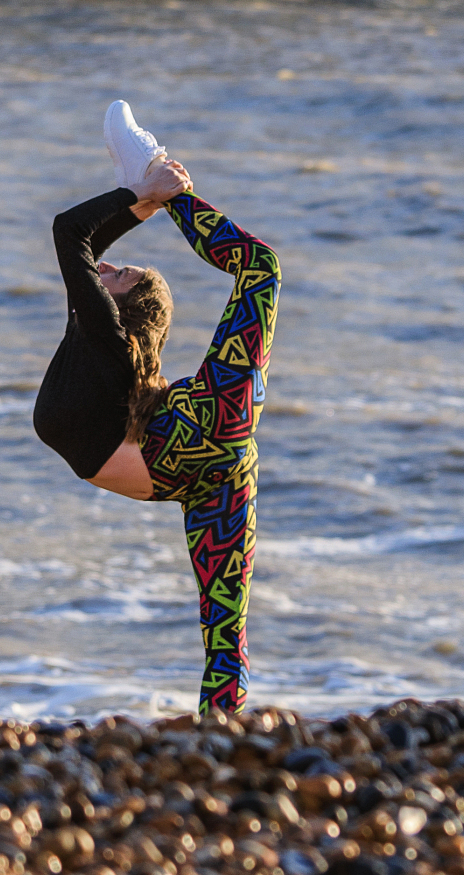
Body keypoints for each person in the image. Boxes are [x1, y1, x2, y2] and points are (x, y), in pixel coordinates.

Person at [33, 102, 282, 714]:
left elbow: (72, 233)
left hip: (198, 435)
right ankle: (222, 728)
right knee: (224, 624)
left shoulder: (107, 342)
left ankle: (158, 176)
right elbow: (84, 246)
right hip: (200, 469)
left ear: (124, 306)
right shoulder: (99, 343)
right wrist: (140, 200)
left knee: (262, 270)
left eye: (122, 274)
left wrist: (148, 191)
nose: (108, 268)